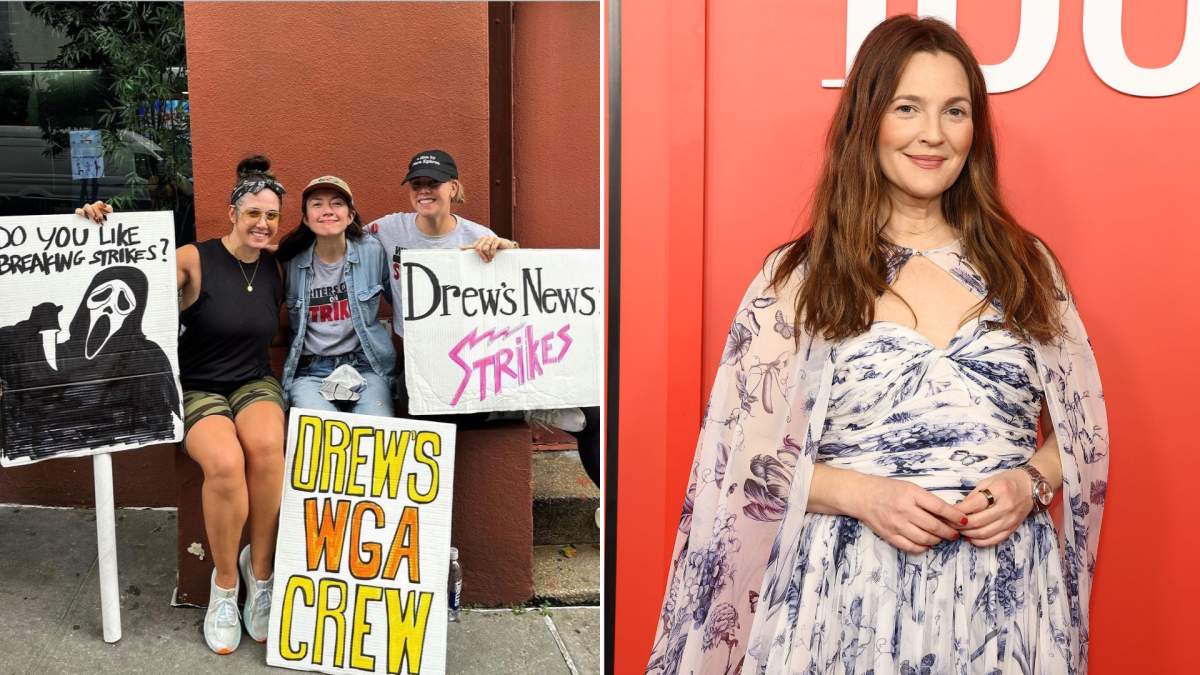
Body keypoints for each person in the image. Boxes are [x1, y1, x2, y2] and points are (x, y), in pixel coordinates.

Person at [647, 16, 1108, 675]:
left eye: (955, 111)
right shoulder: (799, 278)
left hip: (1005, 606)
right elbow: (739, 459)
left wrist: (1031, 481)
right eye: (908, 108)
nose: (933, 134)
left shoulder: (1027, 267)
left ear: (975, 129)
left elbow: (1081, 432)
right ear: (869, 120)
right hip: (846, 600)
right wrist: (863, 494)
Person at [78, 156, 288, 655]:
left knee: (267, 448)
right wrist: (96, 231)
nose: (262, 222)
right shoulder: (194, 258)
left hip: (253, 382)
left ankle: (259, 574)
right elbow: (136, 279)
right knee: (224, 463)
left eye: (273, 215)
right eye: (254, 212)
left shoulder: (277, 264)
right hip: (195, 386)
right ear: (232, 211)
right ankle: (222, 586)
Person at [368, 149, 588, 432]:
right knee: (412, 395)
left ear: (453, 187)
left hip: (474, 352)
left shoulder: (478, 236)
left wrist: (511, 252)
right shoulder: (387, 229)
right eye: (416, 184)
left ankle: (524, 403)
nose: (424, 191)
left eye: (432, 183)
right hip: (423, 354)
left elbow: (519, 295)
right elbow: (345, 241)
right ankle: (512, 409)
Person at [276, 175, 395, 415]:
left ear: (350, 215)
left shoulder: (373, 251)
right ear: (306, 219)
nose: (327, 211)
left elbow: (406, 298)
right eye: (317, 204)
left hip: (366, 366)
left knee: (377, 430)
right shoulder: (289, 261)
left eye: (337, 203)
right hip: (311, 371)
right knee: (320, 434)